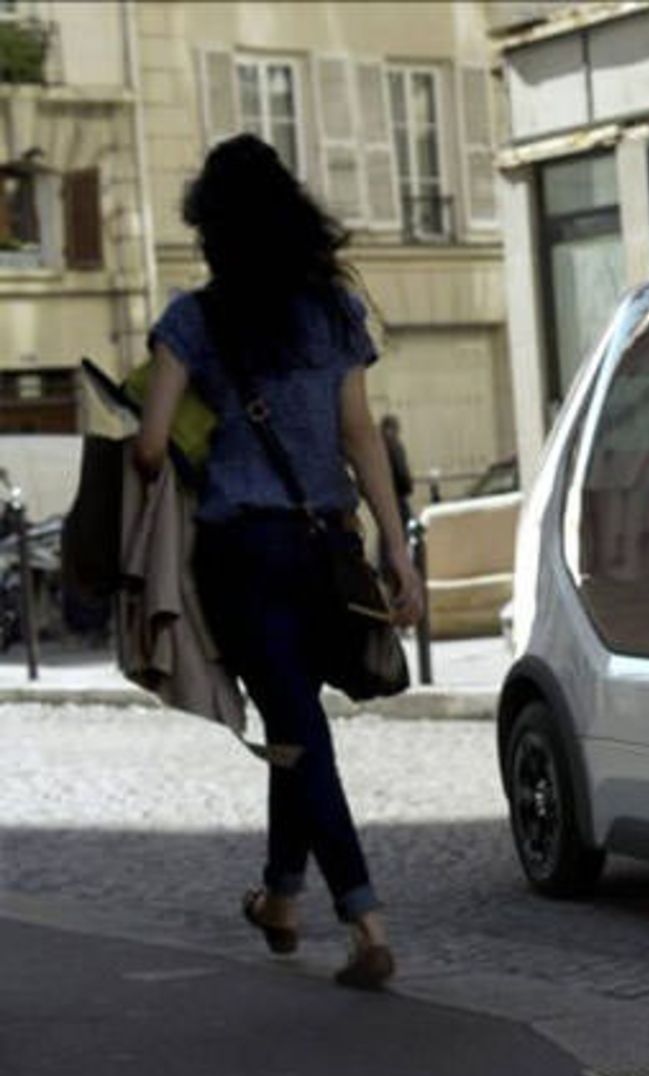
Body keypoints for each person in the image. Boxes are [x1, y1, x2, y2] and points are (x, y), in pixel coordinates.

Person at [132, 135, 424, 991]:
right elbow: (360, 434)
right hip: (328, 543)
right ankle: (283, 899)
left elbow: (149, 446)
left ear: (211, 228)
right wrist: (397, 547)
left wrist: (190, 437)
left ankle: (365, 922)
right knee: (295, 717)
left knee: (298, 727)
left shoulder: (193, 319)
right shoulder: (332, 311)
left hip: (243, 551)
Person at [378, 413, 414, 575]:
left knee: (386, 536)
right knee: (403, 536)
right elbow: (402, 474)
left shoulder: (377, 448)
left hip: (383, 499)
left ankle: (388, 572)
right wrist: (407, 486)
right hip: (398, 498)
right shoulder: (394, 446)